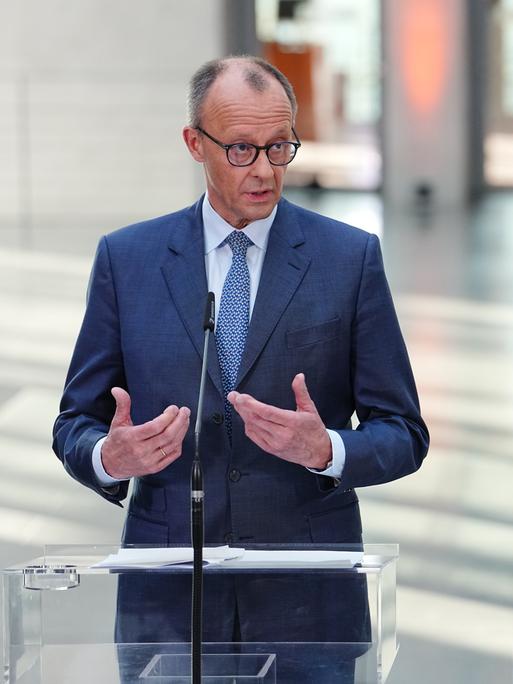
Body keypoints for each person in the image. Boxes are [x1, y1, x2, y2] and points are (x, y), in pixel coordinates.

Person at [53, 55, 429, 682]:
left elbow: (404, 431)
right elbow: (75, 423)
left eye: (279, 147)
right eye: (241, 149)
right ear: (194, 144)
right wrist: (107, 458)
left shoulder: (349, 258)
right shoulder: (128, 260)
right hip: (170, 604)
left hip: (309, 608)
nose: (264, 170)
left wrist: (329, 449)